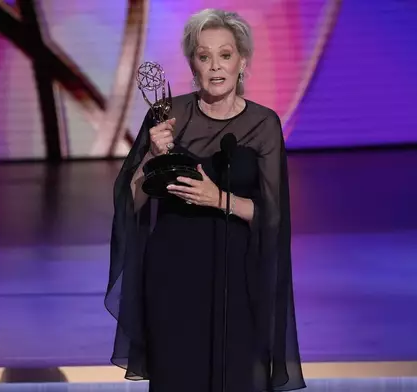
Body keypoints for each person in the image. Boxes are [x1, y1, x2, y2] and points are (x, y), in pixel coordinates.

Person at [104, 8, 306, 392]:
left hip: (237, 277)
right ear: (192, 64)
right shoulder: (168, 116)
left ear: (241, 62)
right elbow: (129, 201)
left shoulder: (262, 125)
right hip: (173, 277)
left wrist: (220, 199)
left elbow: (273, 216)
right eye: (204, 56)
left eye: (225, 55)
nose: (215, 67)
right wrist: (150, 156)